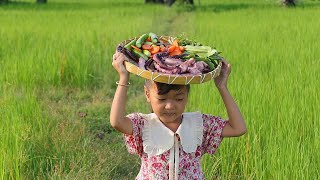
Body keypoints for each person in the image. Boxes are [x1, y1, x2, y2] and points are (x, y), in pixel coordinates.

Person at [110, 51, 247, 179]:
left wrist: (222, 86)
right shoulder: (143, 125)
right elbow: (117, 122)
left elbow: (238, 128)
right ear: (147, 94)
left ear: (187, 96)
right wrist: (123, 78)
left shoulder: (200, 124)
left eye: (179, 99)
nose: (170, 106)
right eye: (162, 99)